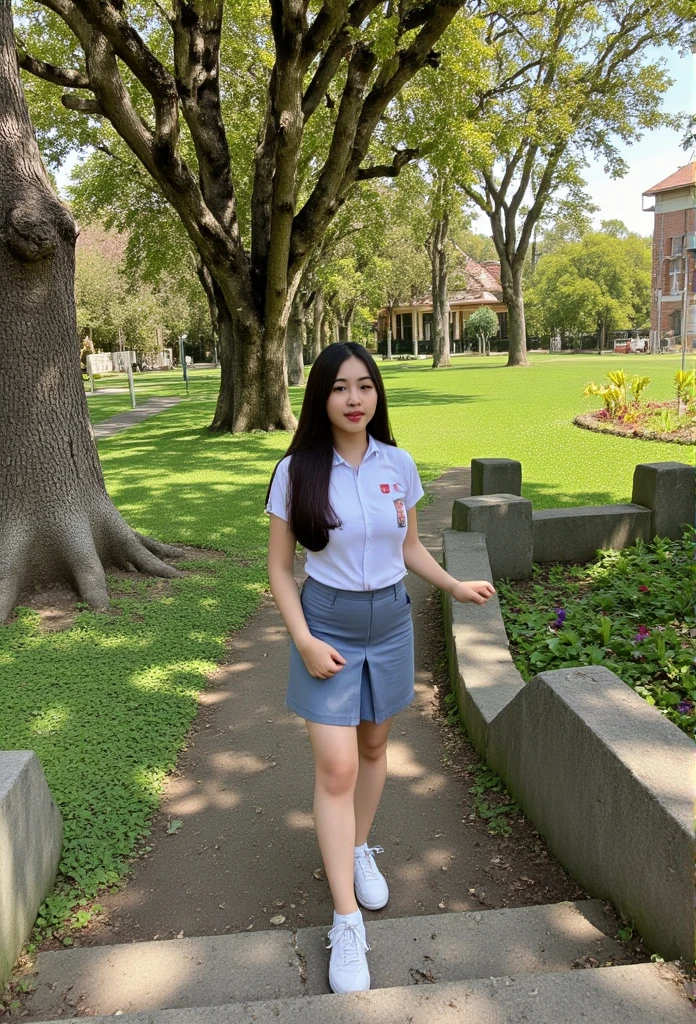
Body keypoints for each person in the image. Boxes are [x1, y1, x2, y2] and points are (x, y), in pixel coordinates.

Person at [265, 341, 495, 995]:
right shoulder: (297, 471)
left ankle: (359, 847)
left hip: (390, 623)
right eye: (341, 387)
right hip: (328, 627)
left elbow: (411, 545)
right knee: (335, 766)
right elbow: (280, 570)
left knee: (373, 747)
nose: (355, 398)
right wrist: (305, 640)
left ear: (377, 394)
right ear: (321, 397)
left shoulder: (398, 464)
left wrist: (452, 586)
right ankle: (345, 922)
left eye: (365, 385)